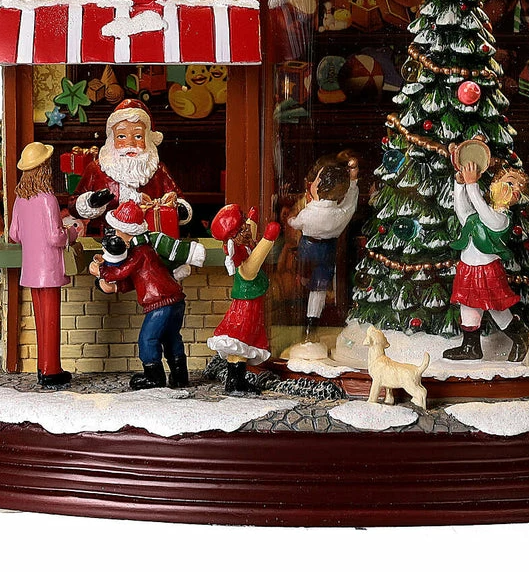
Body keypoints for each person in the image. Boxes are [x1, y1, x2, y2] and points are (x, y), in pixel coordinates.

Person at [88, 200, 192, 389]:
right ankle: (179, 375)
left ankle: (154, 377)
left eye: (117, 231)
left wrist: (101, 271)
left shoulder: (139, 252)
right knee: (171, 337)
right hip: (174, 299)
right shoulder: (145, 251)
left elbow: (122, 271)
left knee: (148, 339)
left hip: (161, 303)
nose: (115, 235)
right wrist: (116, 288)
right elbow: (139, 279)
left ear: (126, 231)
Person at [8, 142, 84, 389]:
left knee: (41, 320)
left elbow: (14, 234)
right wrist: (72, 232)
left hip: (31, 269)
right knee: (51, 321)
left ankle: (42, 367)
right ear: (43, 168)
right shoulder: (47, 199)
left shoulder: (20, 199)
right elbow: (55, 237)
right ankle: (51, 370)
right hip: (49, 269)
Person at [443, 161, 529, 362]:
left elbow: (483, 210)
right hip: (468, 269)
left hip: (486, 270)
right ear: (494, 185)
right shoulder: (477, 217)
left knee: (497, 308)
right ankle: (471, 347)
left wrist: (472, 184)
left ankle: (520, 337)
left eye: (520, 188)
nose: (516, 190)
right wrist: (460, 184)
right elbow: (463, 211)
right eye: (510, 183)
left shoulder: (501, 219)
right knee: (468, 306)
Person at [73, 98, 189, 230]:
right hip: (106, 234)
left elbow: (178, 199)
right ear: (112, 139)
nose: (130, 144)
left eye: (138, 136)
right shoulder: (96, 169)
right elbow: (74, 205)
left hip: (148, 234)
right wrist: (91, 202)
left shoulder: (158, 170)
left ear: (147, 139)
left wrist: (178, 209)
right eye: (121, 136)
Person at [207, 204, 282, 394]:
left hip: (250, 303)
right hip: (246, 307)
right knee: (241, 339)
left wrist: (252, 220)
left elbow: (249, 233)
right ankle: (235, 382)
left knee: (241, 341)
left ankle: (235, 381)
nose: (247, 228)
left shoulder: (243, 241)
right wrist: (268, 239)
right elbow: (255, 260)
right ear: (236, 235)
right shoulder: (243, 262)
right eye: (243, 226)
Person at [288, 153, 359, 339]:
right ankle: (312, 321)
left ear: (318, 186)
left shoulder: (309, 212)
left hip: (308, 248)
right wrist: (353, 182)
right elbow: (351, 203)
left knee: (305, 277)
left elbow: (295, 223)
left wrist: (290, 220)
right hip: (328, 250)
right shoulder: (341, 213)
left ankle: (305, 291)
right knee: (318, 288)